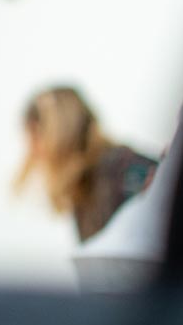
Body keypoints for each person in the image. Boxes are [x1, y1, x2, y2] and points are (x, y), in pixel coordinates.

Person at [15, 86, 158, 242]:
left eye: (35, 137)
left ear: (59, 135)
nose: (33, 151)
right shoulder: (83, 188)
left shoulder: (127, 172)